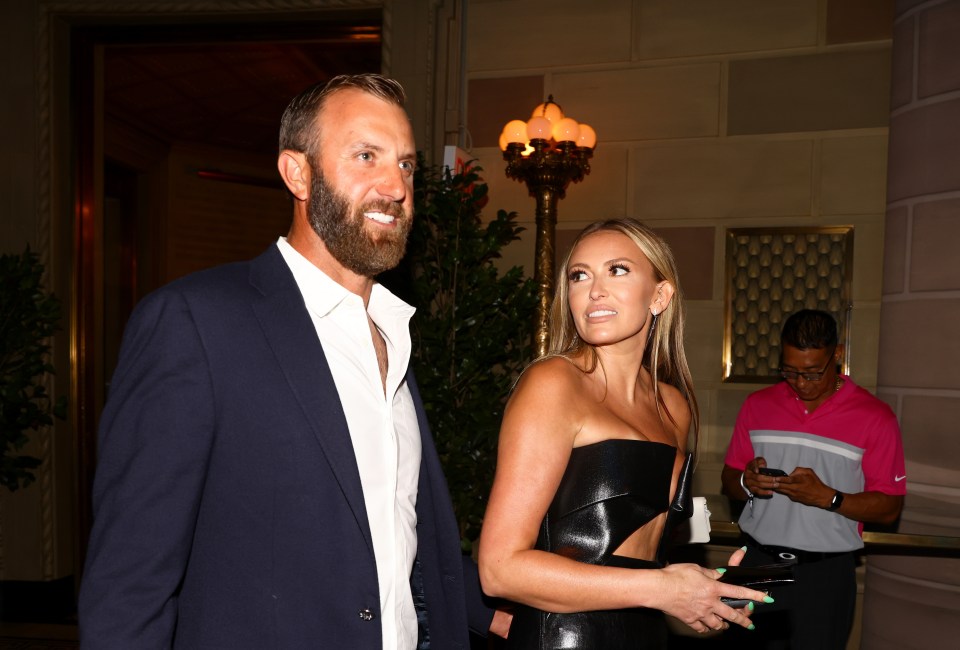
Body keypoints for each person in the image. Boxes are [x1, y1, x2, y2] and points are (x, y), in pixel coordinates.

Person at [79, 74, 507, 649]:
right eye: (365, 156)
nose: (395, 185)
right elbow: (130, 578)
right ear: (297, 172)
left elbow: (397, 529)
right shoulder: (196, 323)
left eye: (405, 164)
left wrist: (505, 611)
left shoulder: (391, 332)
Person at [478, 219, 771, 650]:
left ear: (659, 295)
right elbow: (499, 568)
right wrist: (663, 589)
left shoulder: (674, 407)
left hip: (644, 631)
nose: (594, 290)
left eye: (617, 270)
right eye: (579, 276)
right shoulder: (554, 383)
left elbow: (644, 551)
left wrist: (701, 595)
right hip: (563, 636)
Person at [721, 308, 906, 649]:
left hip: (825, 573)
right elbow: (730, 478)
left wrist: (830, 498)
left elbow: (890, 507)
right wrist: (748, 482)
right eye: (790, 372)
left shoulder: (875, 417)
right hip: (757, 562)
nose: (801, 384)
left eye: (812, 373)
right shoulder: (757, 405)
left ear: (836, 354)